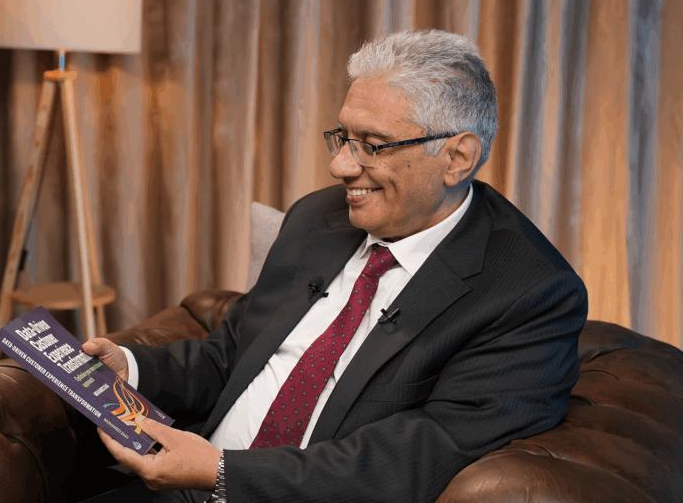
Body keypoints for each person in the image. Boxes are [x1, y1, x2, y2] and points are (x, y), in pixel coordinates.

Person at [80, 29, 588, 503]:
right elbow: (234, 353)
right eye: (343, 137)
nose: (340, 165)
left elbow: (412, 461)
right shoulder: (318, 218)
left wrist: (222, 472)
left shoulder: (529, 294)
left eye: (372, 145)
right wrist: (133, 367)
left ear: (457, 158)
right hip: (182, 484)